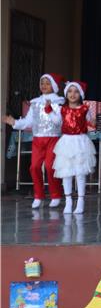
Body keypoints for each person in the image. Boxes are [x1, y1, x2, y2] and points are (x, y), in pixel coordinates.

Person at [5, 73, 65, 208]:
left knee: (50, 167)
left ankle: (55, 195)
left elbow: (59, 122)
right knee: (34, 167)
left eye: (47, 83)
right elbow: (28, 122)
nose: (44, 85)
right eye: (42, 83)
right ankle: (38, 195)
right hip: (38, 139)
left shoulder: (59, 103)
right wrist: (15, 122)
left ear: (53, 86)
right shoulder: (35, 103)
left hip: (53, 138)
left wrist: (50, 110)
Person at [51, 80, 96, 214]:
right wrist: (50, 110)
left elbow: (90, 121)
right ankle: (68, 201)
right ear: (66, 94)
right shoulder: (62, 109)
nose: (73, 94)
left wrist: (93, 122)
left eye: (76, 91)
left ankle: (81, 201)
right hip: (66, 142)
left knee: (80, 172)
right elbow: (56, 122)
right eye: (70, 91)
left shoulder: (85, 108)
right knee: (66, 172)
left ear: (80, 94)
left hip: (80, 141)